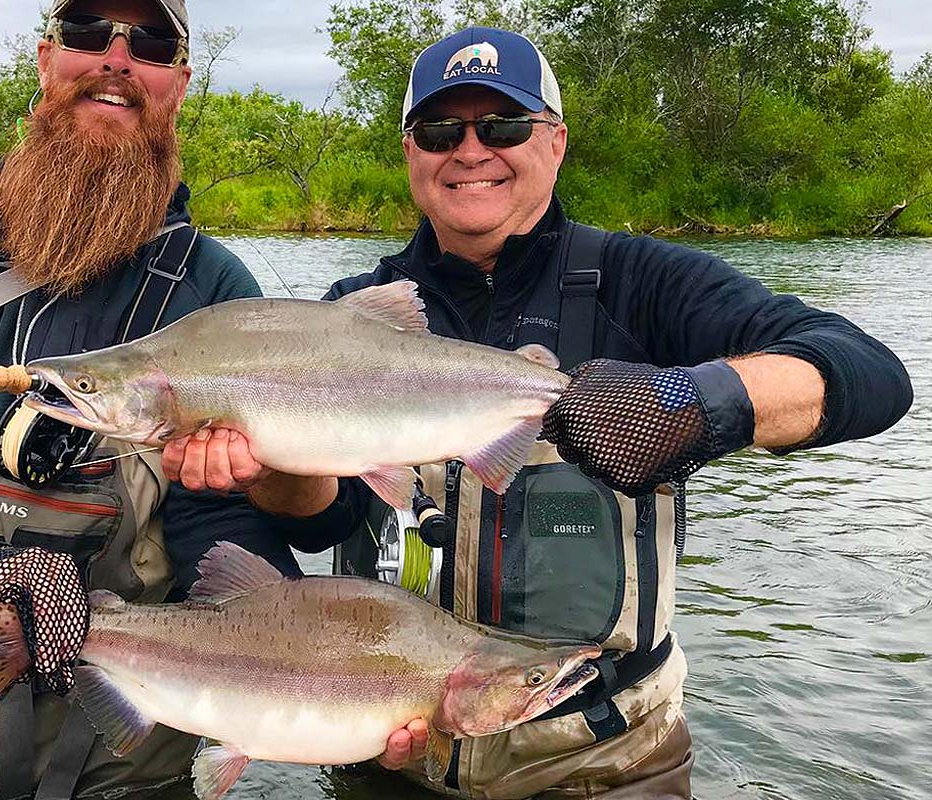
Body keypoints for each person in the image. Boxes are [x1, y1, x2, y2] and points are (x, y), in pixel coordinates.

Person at [164, 26, 913, 800]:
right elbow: (322, 522)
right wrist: (265, 474)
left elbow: (869, 374)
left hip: (605, 764)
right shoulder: (352, 317)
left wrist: (692, 402)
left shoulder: (642, 284)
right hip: (390, 752)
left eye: (505, 126)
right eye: (440, 130)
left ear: (555, 143)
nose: (470, 150)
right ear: (410, 152)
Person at [0, 1, 335, 797]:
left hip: (118, 726)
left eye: (149, 41)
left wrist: (261, 495)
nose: (117, 57)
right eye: (90, 32)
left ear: (178, 84)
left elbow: (216, 529)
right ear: (47, 59)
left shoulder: (218, 294)